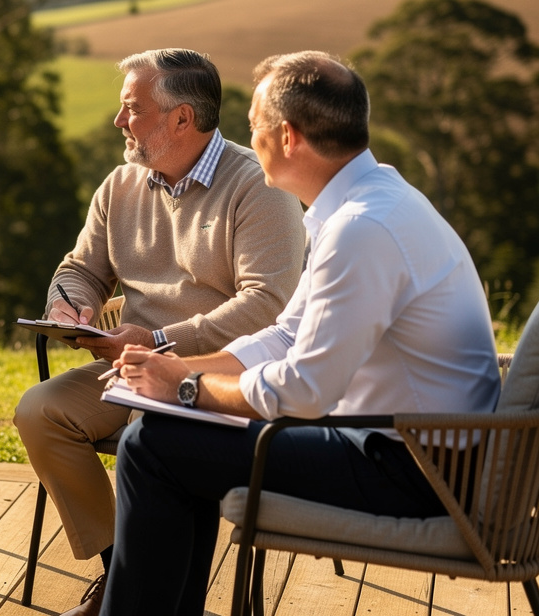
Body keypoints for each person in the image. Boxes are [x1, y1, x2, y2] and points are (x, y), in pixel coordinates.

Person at [101, 51, 500, 614]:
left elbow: (304, 391)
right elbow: (287, 335)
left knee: (152, 446)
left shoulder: (361, 229)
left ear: (287, 137)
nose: (248, 141)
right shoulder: (369, 205)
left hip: (414, 469)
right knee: (166, 436)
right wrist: (180, 368)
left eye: (253, 126)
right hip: (409, 448)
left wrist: (184, 389)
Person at [12, 48, 305, 616]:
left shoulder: (259, 187)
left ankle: (137, 588)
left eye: (132, 108)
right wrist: (68, 305)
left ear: (181, 119)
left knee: (146, 435)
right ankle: (121, 570)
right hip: (132, 366)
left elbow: (268, 306)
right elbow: (80, 269)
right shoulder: (120, 185)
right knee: (40, 411)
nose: (118, 120)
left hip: (217, 377)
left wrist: (159, 342)